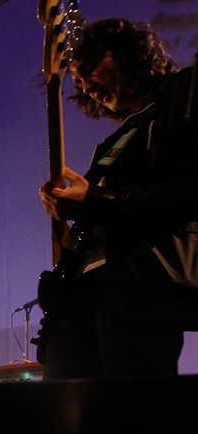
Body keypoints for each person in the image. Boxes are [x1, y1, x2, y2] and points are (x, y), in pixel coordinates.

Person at [38, 18, 198, 379]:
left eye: (91, 67)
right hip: (85, 296)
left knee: (130, 407)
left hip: (140, 292)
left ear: (128, 54)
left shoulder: (181, 93)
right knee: (60, 406)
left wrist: (95, 200)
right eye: (77, 79)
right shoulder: (116, 139)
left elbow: (189, 189)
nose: (86, 85)